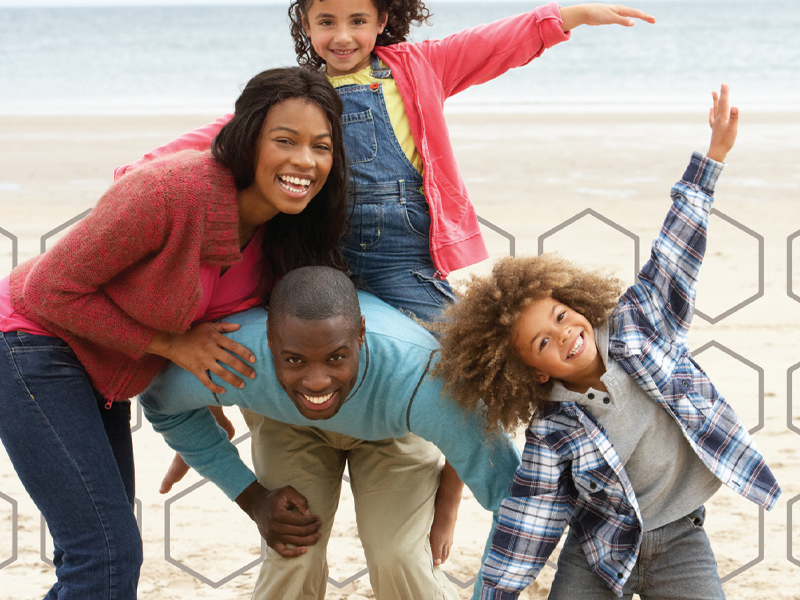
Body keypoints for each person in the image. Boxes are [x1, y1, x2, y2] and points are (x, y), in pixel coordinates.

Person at [0, 67, 349, 600]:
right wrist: (171, 348)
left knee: (97, 553)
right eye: (285, 140)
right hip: (31, 342)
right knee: (108, 554)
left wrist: (199, 398)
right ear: (246, 138)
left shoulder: (284, 236)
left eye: (321, 147)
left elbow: (216, 332)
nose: (306, 160)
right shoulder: (169, 191)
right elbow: (49, 290)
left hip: (105, 368)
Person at [434, 85, 781, 599]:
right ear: (533, 371)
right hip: (597, 548)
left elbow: (674, 253)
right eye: (543, 343)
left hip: (682, 537)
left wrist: (712, 160)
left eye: (561, 315)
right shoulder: (552, 431)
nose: (565, 335)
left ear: (575, 302)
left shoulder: (639, 326)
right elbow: (527, 526)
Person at [115, 0, 656, 322]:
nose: (342, 35)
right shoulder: (300, 91)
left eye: (357, 19)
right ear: (306, 25)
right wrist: (142, 172)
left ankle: (446, 495)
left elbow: (492, 44)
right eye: (326, 21)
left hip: (404, 252)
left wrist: (571, 15)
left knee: (455, 350)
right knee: (293, 345)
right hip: (318, 246)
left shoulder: (420, 66)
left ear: (382, 21)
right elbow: (221, 136)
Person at [139, 265, 521, 600]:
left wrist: (450, 510)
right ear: (270, 344)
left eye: (336, 357)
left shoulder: (421, 382)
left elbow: (512, 500)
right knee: (292, 552)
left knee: (399, 557)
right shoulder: (240, 355)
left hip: (389, 428)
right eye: (294, 360)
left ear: (360, 336)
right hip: (291, 425)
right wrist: (251, 495)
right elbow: (161, 405)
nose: (317, 381)